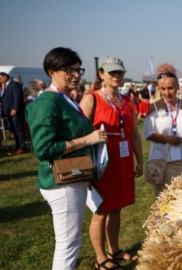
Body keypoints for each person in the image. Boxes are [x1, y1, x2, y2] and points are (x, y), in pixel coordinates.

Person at [25, 47, 108, 270]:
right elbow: (44, 148)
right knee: (68, 243)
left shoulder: (65, 99)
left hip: (74, 176)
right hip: (61, 182)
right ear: (52, 71)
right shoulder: (48, 102)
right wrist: (88, 140)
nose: (76, 75)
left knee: (71, 241)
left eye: (78, 69)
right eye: (68, 70)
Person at [79, 56, 143, 270]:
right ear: (101, 74)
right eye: (111, 72)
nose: (116, 76)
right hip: (102, 160)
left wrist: (139, 160)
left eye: (120, 72)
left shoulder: (126, 100)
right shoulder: (91, 99)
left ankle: (114, 249)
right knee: (101, 210)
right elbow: (79, 132)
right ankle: (100, 257)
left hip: (122, 160)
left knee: (116, 208)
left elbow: (133, 133)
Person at [143, 63, 182, 196]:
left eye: (170, 88)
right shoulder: (154, 108)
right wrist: (165, 138)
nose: (167, 92)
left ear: (177, 87)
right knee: (163, 202)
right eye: (163, 89)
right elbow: (148, 134)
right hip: (161, 161)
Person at [0, 71, 27, 155]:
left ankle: (22, 146)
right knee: (14, 130)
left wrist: (15, 108)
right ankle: (17, 146)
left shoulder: (14, 84)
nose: (0, 80)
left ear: (5, 77)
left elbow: (17, 98)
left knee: (18, 129)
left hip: (15, 111)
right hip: (8, 112)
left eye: (0, 78)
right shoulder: (6, 86)